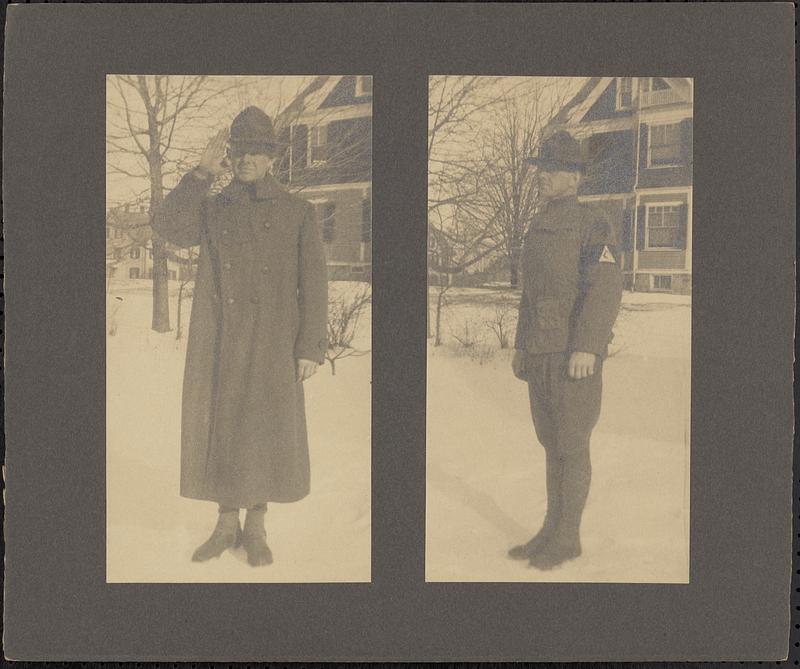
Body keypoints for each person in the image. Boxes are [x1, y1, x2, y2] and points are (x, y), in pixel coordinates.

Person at [153, 106, 328, 567]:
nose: (247, 159)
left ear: (271, 158)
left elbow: (314, 284)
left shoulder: (297, 212)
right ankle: (225, 524)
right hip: (220, 336)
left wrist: (310, 347)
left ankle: (256, 527)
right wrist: (199, 175)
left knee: (263, 429)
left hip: (273, 339)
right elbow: (169, 227)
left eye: (256, 151)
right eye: (238, 152)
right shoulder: (213, 208)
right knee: (224, 425)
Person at [508, 130, 622, 570]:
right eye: (542, 169)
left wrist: (588, 347)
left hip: (573, 355)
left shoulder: (594, 224)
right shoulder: (538, 225)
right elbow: (529, 294)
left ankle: (569, 536)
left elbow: (605, 289)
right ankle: (550, 529)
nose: (543, 177)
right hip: (540, 353)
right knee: (550, 442)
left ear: (574, 178)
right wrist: (521, 347)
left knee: (572, 444)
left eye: (552, 170)